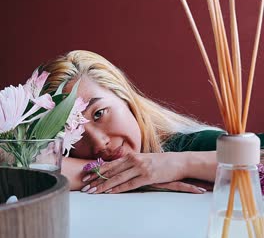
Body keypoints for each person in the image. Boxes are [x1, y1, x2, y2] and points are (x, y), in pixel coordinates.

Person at [43, 50, 264, 194]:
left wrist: (180, 164)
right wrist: (133, 177)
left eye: (99, 113)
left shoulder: (190, 144)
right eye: (72, 131)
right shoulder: (63, 156)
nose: (99, 143)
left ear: (125, 97)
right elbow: (17, 161)